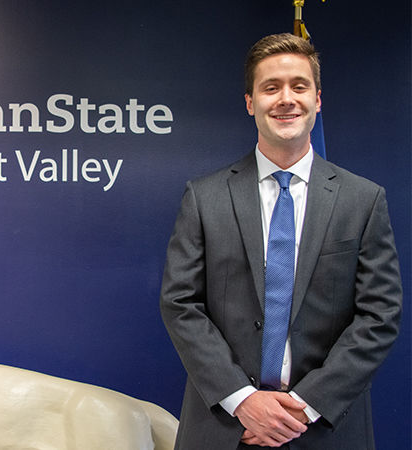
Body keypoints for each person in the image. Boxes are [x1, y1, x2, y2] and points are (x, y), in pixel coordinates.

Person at [159, 33, 402, 449]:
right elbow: (180, 304)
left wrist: (304, 407)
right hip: (226, 428)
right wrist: (244, 401)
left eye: (299, 86)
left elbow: (379, 315)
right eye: (271, 88)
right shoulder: (204, 197)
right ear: (251, 103)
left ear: (318, 100)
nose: (286, 98)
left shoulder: (363, 200)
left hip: (325, 429)